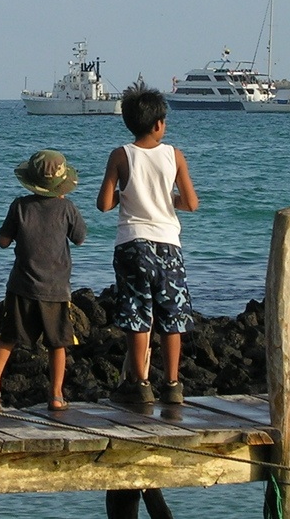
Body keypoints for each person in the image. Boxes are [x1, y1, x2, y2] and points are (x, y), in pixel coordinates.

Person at [96, 82, 198, 404]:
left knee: (137, 311)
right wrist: (168, 200)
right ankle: (172, 384)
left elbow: (104, 203)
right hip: (168, 244)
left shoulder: (120, 155)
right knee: (172, 313)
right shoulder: (174, 155)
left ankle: (139, 383)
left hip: (132, 242)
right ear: (158, 124)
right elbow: (192, 203)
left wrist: (126, 195)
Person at [0, 149, 87, 412]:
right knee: (58, 343)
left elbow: (3, 242)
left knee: (8, 337)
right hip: (56, 288)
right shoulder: (67, 208)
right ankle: (56, 395)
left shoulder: (20, 206)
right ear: (60, 185)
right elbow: (80, 238)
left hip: (21, 286)